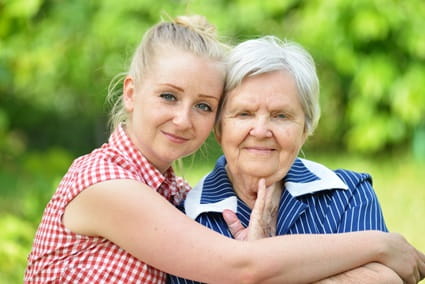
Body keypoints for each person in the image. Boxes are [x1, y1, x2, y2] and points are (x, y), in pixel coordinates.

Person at [24, 15, 424, 283]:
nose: (184, 119)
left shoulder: (173, 194)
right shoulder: (108, 185)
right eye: (168, 96)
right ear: (131, 92)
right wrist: (379, 243)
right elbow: (240, 265)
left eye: (202, 105)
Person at [168, 36, 425, 284]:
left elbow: (388, 279)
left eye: (280, 116)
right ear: (219, 128)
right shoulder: (187, 220)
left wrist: (262, 272)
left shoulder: (348, 194)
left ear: (305, 128)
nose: (260, 131)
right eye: (244, 114)